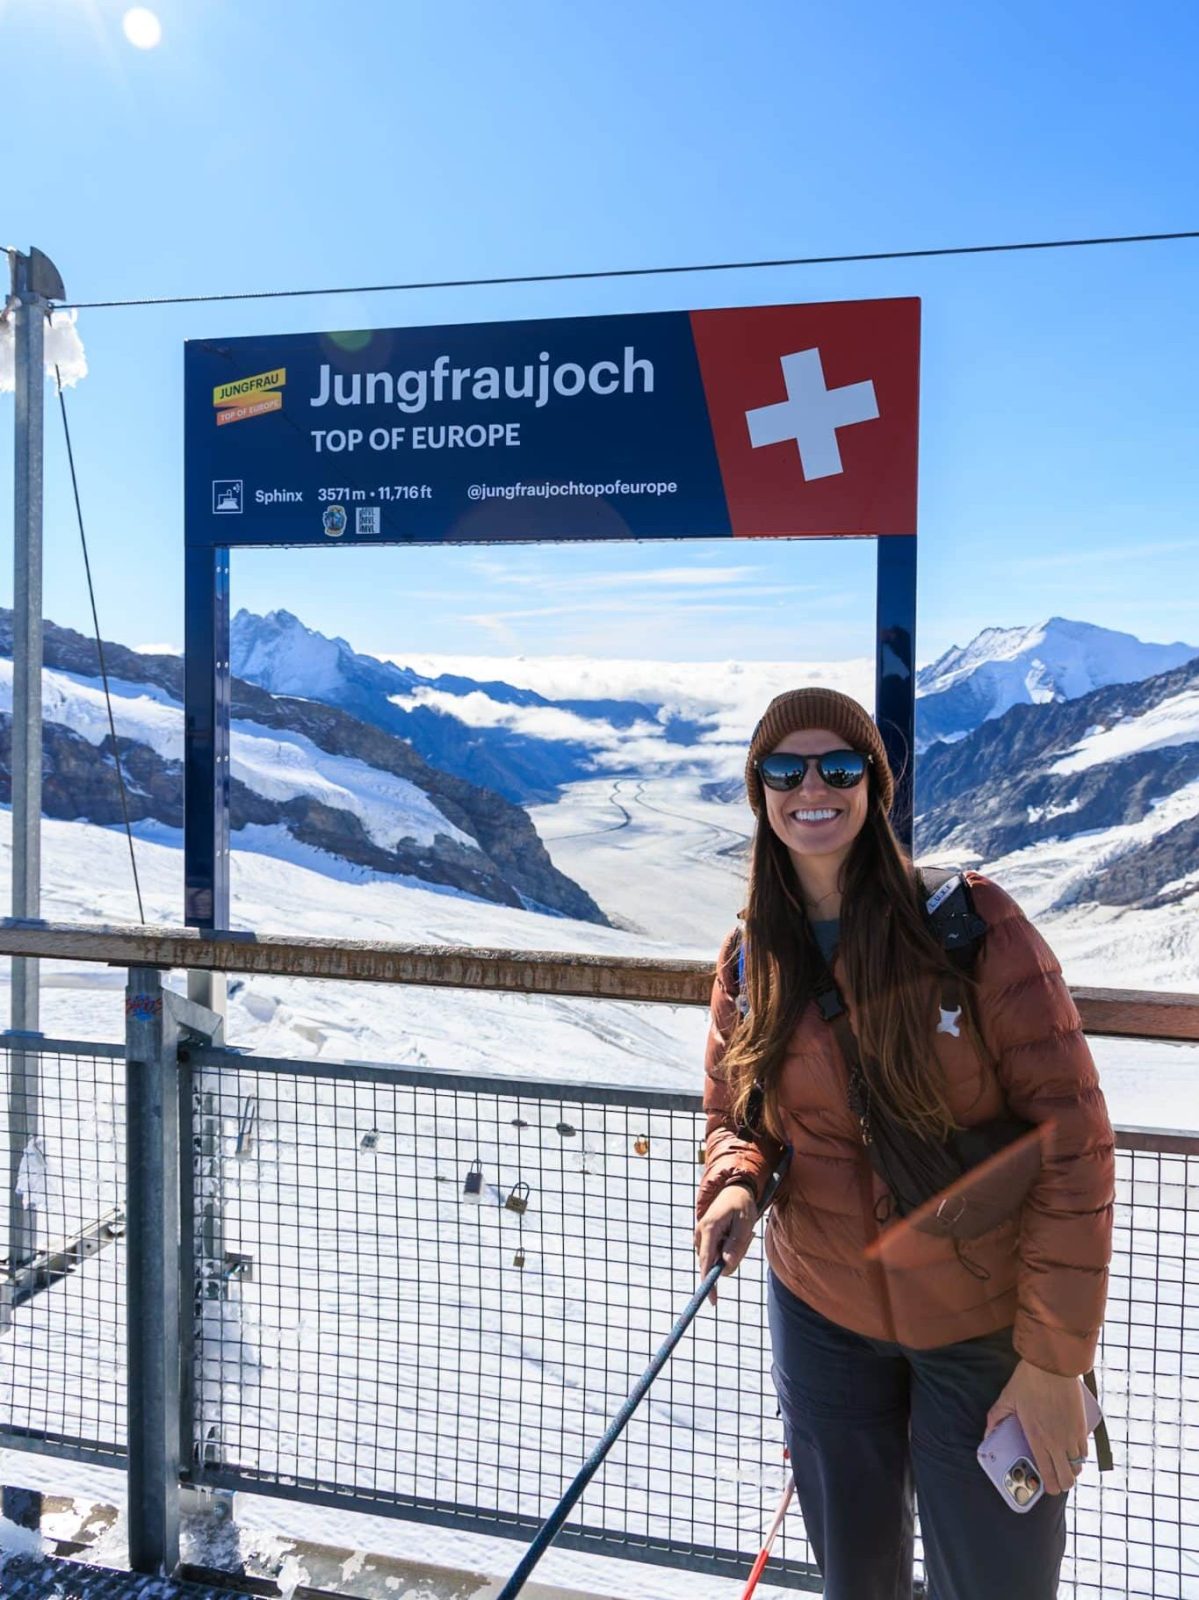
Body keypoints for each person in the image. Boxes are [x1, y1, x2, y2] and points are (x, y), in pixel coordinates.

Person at [694, 688, 1114, 1600]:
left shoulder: (970, 929)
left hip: (980, 1326)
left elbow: (1073, 1146)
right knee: (857, 1581)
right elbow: (735, 1114)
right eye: (784, 769)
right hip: (822, 1313)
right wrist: (734, 1184)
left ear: (873, 789)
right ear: (759, 793)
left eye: (839, 768)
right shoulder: (749, 956)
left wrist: (1053, 1362)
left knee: (994, 1584)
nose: (813, 787)